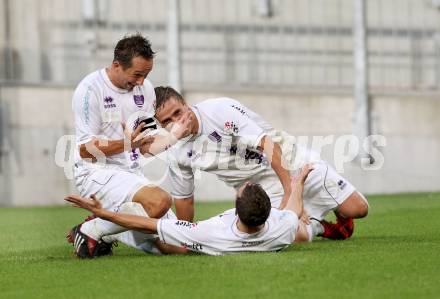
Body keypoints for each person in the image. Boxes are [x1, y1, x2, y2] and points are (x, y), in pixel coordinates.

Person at [153, 86, 369, 240]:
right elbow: (184, 201)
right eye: (167, 121)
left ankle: (338, 212)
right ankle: (320, 227)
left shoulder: (219, 111)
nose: (176, 123)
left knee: (358, 209)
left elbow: (269, 145)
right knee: (289, 236)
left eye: (178, 113)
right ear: (160, 126)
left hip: (291, 162)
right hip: (259, 190)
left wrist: (290, 193)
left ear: (187, 106)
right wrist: (186, 236)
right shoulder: (175, 152)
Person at [67, 34, 191, 259]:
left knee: (180, 246)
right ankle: (90, 231)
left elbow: (145, 147)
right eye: (137, 74)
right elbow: (86, 150)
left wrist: (174, 136)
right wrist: (127, 144)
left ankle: (108, 225)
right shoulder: (90, 90)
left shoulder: (146, 90)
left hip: (132, 175)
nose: (142, 81)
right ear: (116, 66)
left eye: (147, 74)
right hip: (96, 173)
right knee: (161, 200)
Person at [64, 165, 314, 256]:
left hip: (173, 247)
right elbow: (294, 209)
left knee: (137, 212)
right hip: (197, 242)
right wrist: (298, 182)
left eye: (243, 189)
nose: (244, 184)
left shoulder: (210, 232)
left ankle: (92, 230)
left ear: (236, 212)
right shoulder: (283, 228)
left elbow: (149, 225)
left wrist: (103, 214)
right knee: (304, 231)